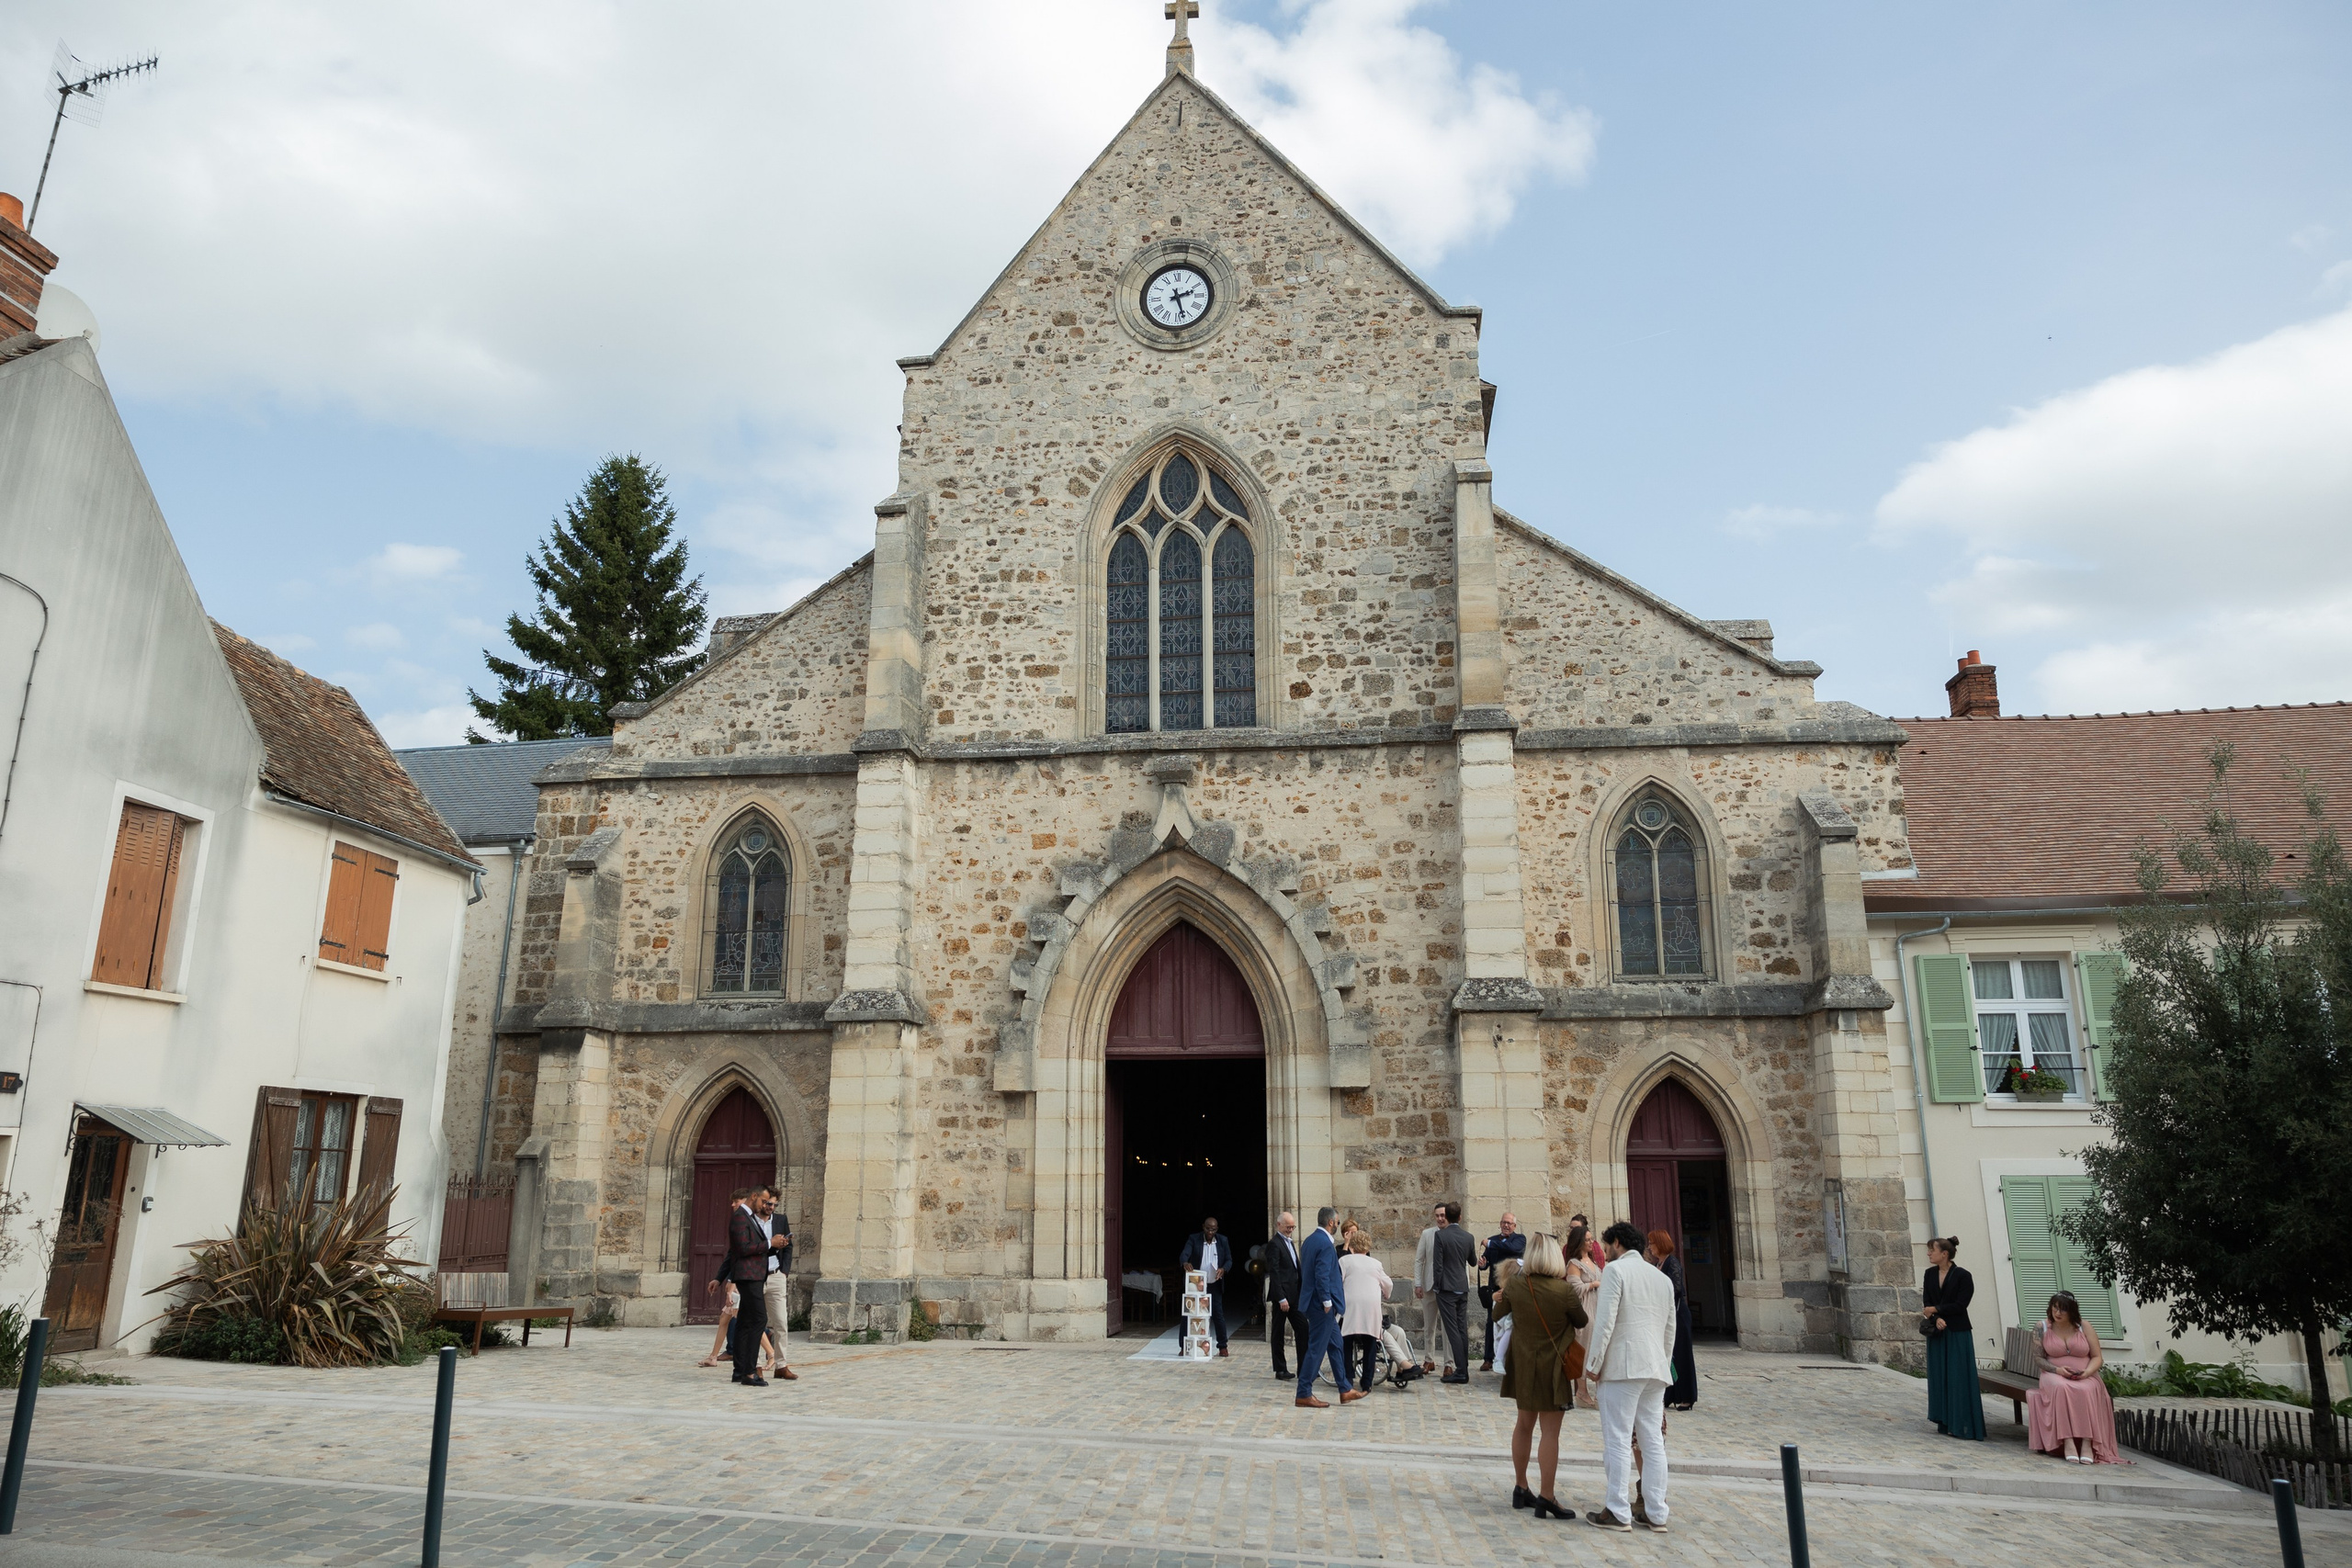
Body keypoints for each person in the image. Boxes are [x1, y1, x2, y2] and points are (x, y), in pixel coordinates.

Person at [1583, 1221, 1675, 1532]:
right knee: (1652, 1442)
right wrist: (1663, 1362)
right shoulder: (1661, 1279)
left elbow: (1605, 1321)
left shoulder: (1616, 1271)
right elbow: (1669, 1330)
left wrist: (1593, 1364)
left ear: (1618, 1243)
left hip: (1623, 1366)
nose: (1605, 1253)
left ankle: (1618, 1509)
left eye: (1608, 1246)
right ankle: (1656, 1512)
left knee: (1618, 1439)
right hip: (1654, 1368)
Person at [1496, 1232, 1587, 1522]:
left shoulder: (1517, 1286)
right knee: (1550, 1433)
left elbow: (1498, 1314)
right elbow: (1582, 1321)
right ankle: (1547, 1495)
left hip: (1523, 1364)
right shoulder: (1564, 1291)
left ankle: (1521, 1486)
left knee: (1523, 1425)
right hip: (1553, 1367)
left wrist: (1502, 1295)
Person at [2028, 1292, 2121, 1464]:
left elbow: (2097, 1356)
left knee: (2086, 1390)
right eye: (2055, 1308)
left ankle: (2087, 1442)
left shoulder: (2084, 1326)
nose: (2058, 1313)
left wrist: (2087, 1372)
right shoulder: (2042, 1327)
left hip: (2085, 1374)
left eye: (2063, 1309)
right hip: (2054, 1374)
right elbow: (2038, 1358)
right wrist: (2058, 1370)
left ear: (2072, 1311)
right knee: (2061, 1388)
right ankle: (2068, 1440)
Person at [1919, 1235, 1984, 1441]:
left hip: (1957, 1332)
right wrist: (1937, 1317)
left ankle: (1962, 1424)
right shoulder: (1929, 1274)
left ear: (1944, 1254)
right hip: (1938, 1332)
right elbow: (1927, 1303)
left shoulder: (1963, 1276)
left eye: (1932, 1250)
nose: (1929, 1253)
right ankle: (1945, 1421)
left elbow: (1961, 1304)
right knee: (1940, 1377)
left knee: (1957, 1378)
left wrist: (1937, 1310)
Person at [1295, 1206, 1358, 1407]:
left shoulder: (1310, 1240)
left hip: (1316, 1303)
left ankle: (1345, 1389)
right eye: (1337, 1223)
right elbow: (1322, 1275)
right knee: (1316, 1349)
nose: (1337, 1226)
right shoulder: (1324, 1243)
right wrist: (1327, 1302)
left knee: (1336, 1345)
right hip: (1321, 1306)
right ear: (1331, 1222)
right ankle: (1304, 1392)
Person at [721, 1187, 774, 1387]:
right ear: (754, 1197)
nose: (765, 1205)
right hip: (748, 1276)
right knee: (758, 1319)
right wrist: (770, 1244)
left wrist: (775, 1246)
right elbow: (741, 1249)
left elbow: (739, 1251)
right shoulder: (740, 1217)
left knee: (744, 1321)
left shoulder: (749, 1217)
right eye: (764, 1201)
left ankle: (740, 1370)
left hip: (752, 1275)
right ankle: (750, 1372)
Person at [1428, 1202, 1477, 1384]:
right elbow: (1472, 1262)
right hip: (1462, 1287)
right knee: (1461, 1328)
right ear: (1460, 1217)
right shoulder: (1468, 1236)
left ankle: (1462, 1371)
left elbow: (1438, 1265)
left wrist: (1437, 1287)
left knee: (1453, 1330)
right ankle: (1463, 1369)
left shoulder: (1441, 1236)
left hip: (1447, 1288)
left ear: (1446, 1217)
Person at [1646, 1229, 1696, 1410]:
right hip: (1665, 1315)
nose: (1649, 1247)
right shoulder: (1659, 1263)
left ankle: (1687, 1396)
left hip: (1678, 1314)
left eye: (1651, 1243)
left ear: (1659, 1244)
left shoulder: (1672, 1263)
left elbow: (1675, 1288)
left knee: (1681, 1355)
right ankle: (1670, 1394)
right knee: (1669, 1355)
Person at [1340, 1230, 1393, 1393]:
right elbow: (1388, 1284)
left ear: (1353, 1245)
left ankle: (1348, 1378)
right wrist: (1386, 1294)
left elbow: (1338, 1280)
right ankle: (1367, 1381)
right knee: (1370, 1342)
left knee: (1346, 1342)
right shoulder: (1375, 1263)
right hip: (1370, 1306)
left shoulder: (1344, 1260)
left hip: (1351, 1305)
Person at [753, 1187, 798, 1381]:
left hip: (775, 1276)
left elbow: (788, 1247)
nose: (770, 1207)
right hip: (755, 1277)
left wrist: (784, 1271)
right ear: (760, 1201)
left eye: (774, 1204)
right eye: (767, 1203)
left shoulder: (781, 1220)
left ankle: (781, 1365)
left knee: (781, 1322)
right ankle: (754, 1366)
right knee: (756, 1322)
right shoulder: (750, 1220)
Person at [1477, 1211, 1525, 1372]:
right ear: (1500, 1223)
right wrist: (1483, 1263)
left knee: (1512, 1324)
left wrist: (1490, 1244)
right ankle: (1488, 1358)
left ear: (1514, 1226)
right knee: (1492, 1321)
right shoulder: (1492, 1240)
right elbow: (1486, 1262)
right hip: (1496, 1289)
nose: (1506, 1225)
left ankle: (1509, 1358)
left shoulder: (1519, 1239)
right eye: (1503, 1222)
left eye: (1509, 1223)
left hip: (1513, 1289)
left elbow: (1511, 1248)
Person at [1180, 1216, 1234, 1356]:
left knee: (1218, 1315)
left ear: (1217, 1229)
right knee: (1189, 1314)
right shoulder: (1194, 1239)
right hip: (1196, 1284)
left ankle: (1222, 1346)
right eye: (1208, 1229)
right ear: (1203, 1227)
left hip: (1214, 1284)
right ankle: (1183, 1347)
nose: (1210, 1232)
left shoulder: (1222, 1241)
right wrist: (1185, 1262)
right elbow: (1184, 1254)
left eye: (1214, 1229)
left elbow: (1229, 1259)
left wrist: (1224, 1269)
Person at [1563, 1222, 1603, 1409]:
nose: (1590, 1242)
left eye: (1591, 1239)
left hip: (1597, 1306)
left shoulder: (1593, 1262)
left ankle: (1599, 1392)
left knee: (1598, 1348)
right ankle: (1582, 1391)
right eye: (1587, 1240)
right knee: (1584, 1350)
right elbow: (1574, 1288)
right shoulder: (1574, 1263)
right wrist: (1593, 1285)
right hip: (1584, 1309)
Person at [1264, 1210, 1307, 1380]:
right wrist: (1281, 1297)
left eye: (1293, 1227)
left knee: (1303, 1328)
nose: (1291, 1230)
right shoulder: (1274, 1244)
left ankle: (1304, 1368)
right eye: (1288, 1227)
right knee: (1278, 1332)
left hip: (1294, 1295)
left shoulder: (1289, 1242)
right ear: (1278, 1225)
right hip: (1282, 1297)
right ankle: (1280, 1369)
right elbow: (1274, 1272)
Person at [1410, 1201, 1447, 1371]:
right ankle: (1429, 1359)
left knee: (1448, 1328)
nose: (1440, 1218)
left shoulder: (1454, 1234)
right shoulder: (1427, 1234)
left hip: (1448, 1286)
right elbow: (1419, 1260)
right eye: (1437, 1215)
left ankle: (1449, 1363)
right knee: (1429, 1325)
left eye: (1443, 1215)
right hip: (1429, 1285)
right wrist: (1418, 1284)